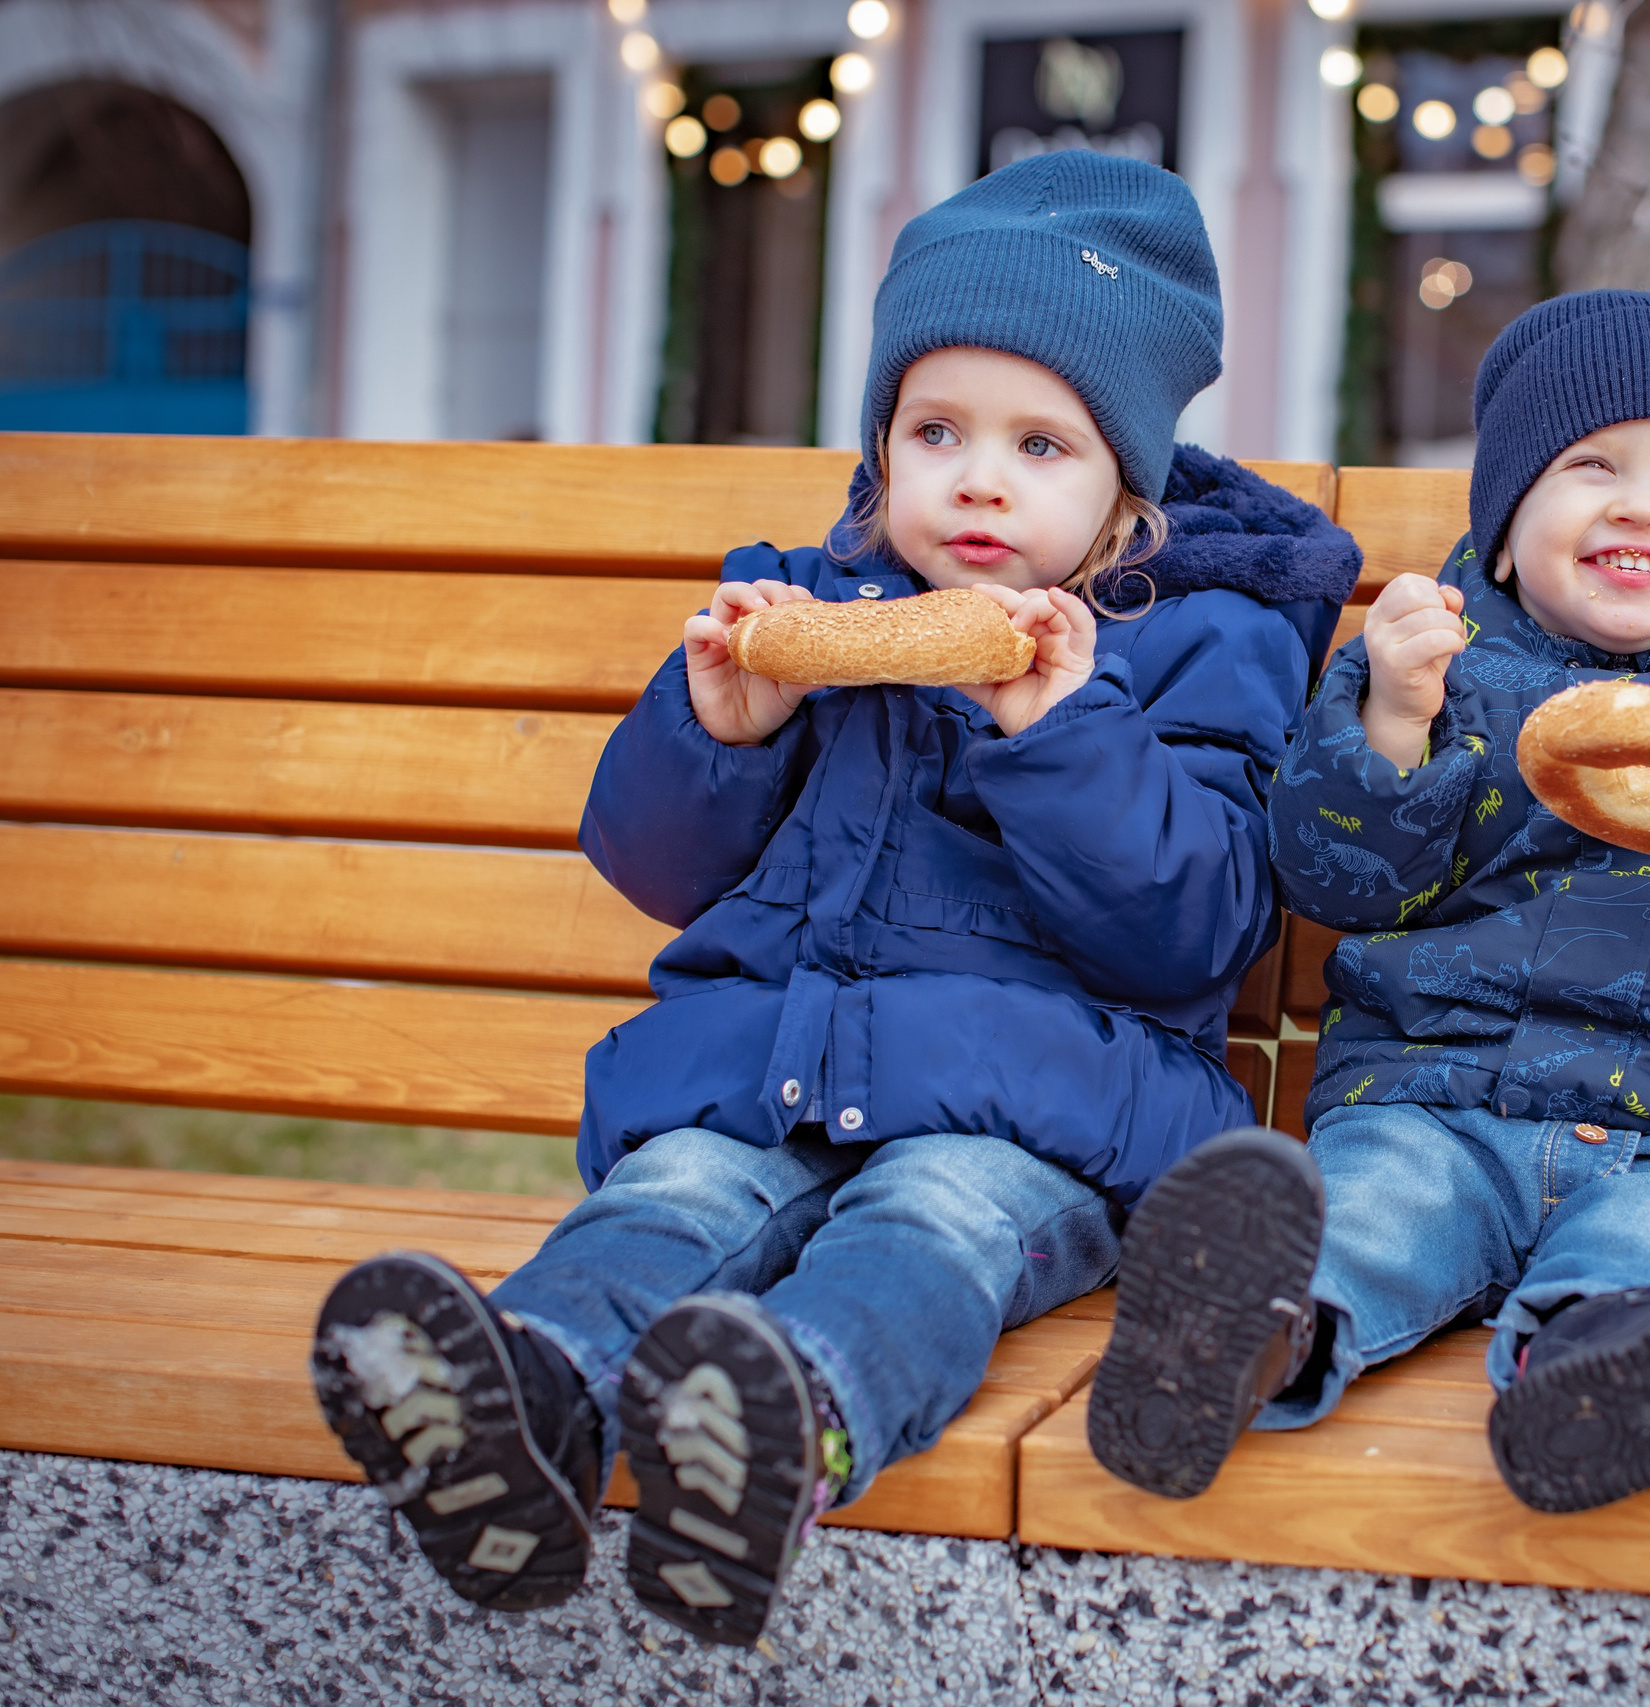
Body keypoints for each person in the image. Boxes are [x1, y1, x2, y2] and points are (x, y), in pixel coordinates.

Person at [306, 153, 1358, 1643]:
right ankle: (513, 1412)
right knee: (666, 1201)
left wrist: (1054, 731)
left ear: (1129, 479)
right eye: (938, 429)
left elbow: (1192, 924)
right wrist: (720, 730)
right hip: (760, 1078)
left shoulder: (1198, 641)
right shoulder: (802, 600)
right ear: (882, 447)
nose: (979, 477)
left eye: (1040, 444)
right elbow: (657, 869)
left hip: (1033, 1116)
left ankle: (782, 1423)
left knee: (930, 1226)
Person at [1086, 289, 1650, 1514]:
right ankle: (1235, 1343)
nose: (1641, 503)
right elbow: (1328, 883)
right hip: (1431, 1102)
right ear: (1503, 534)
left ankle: (1604, 1389)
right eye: (1589, 464)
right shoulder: (1433, 673)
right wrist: (1391, 729)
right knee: (1368, 1213)